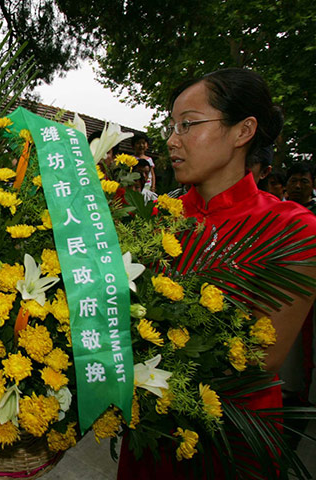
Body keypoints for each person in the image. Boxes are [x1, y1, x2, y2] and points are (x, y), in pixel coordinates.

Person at [118, 68, 316, 478]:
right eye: (172, 127)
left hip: (231, 440)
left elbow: (260, 357)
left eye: (188, 125)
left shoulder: (293, 228)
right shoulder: (156, 217)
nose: (172, 140)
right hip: (152, 433)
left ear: (243, 131)